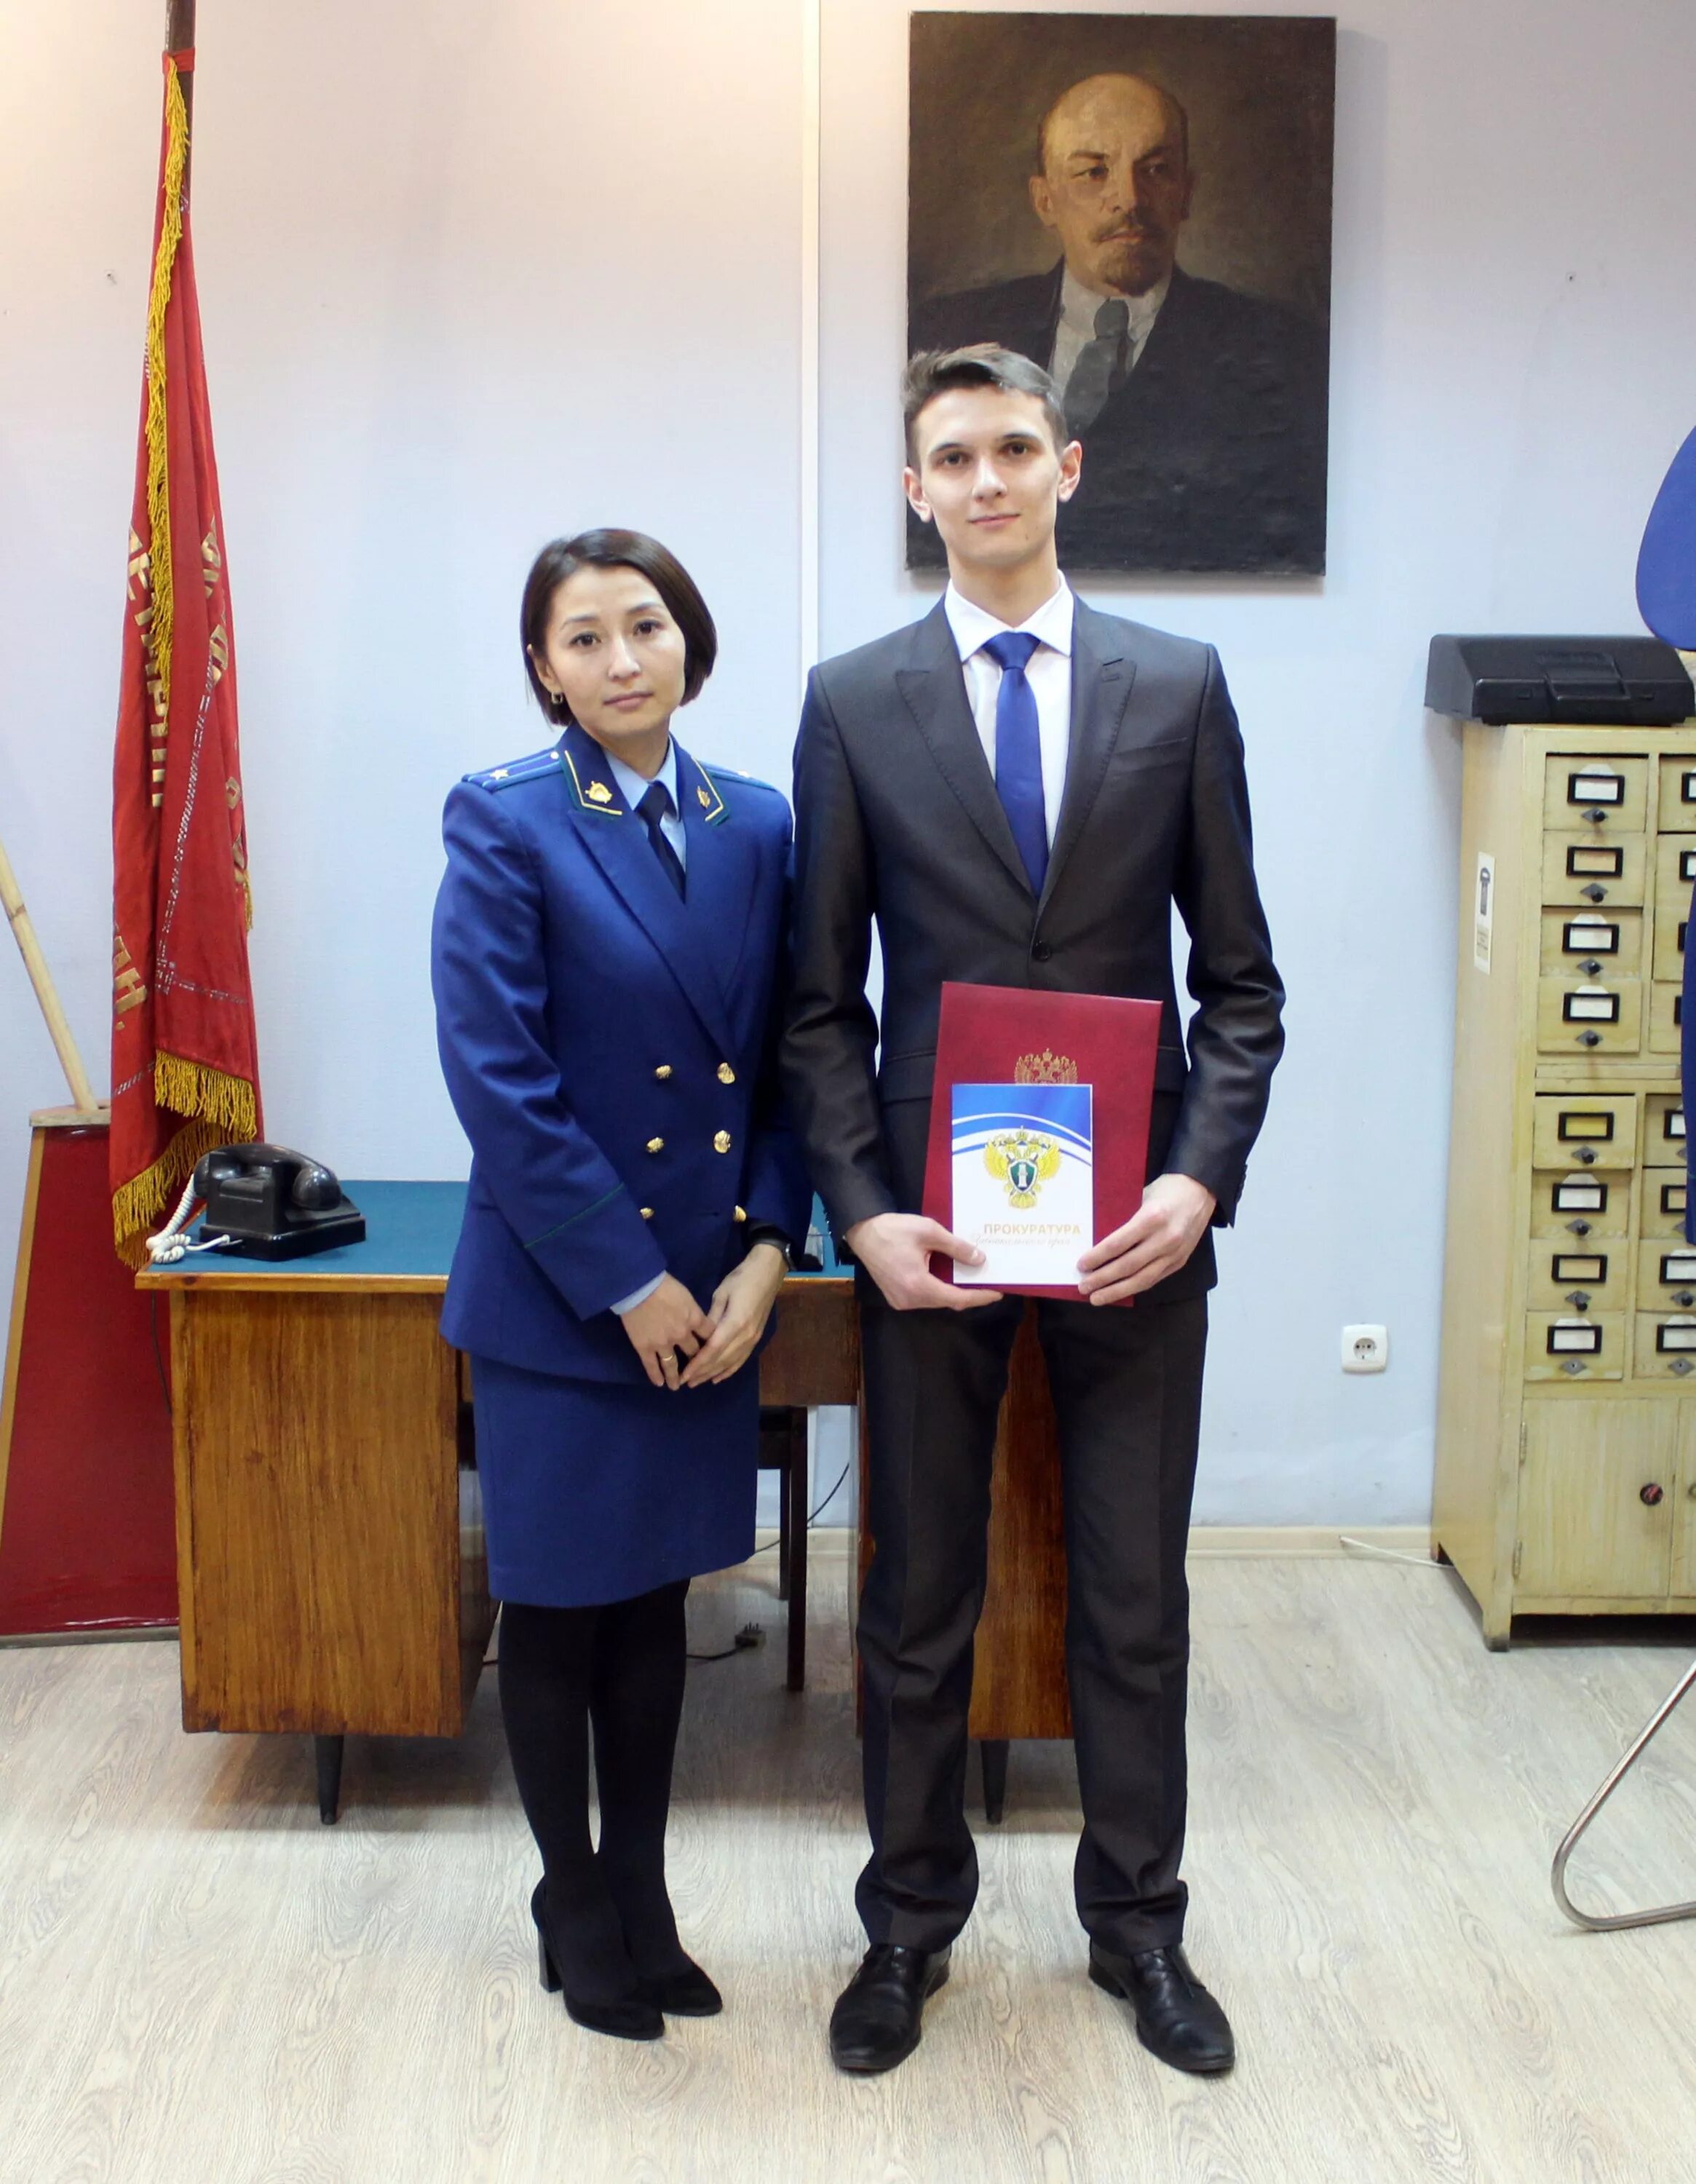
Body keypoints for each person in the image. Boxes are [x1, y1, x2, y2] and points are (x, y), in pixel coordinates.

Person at [782, 346, 1283, 2078]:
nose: (983, 479)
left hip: (1127, 1232)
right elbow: (815, 1005)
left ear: (1064, 468)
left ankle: (1136, 1925)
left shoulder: (1176, 683)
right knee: (917, 1598)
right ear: (913, 490)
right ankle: (904, 1929)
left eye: (1011, 448)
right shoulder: (850, 701)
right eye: (948, 456)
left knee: (1130, 1600)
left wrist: (1194, 1175)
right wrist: (857, 1207)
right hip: (931, 1237)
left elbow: (1238, 988)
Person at [432, 529, 809, 2042]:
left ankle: (643, 1892)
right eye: (580, 638)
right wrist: (628, 1281)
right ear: (545, 669)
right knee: (558, 1609)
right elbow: (500, 1080)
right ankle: (569, 1896)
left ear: (687, 642)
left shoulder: (756, 824)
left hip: (716, 1297)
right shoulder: (506, 819)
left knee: (655, 1611)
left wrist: (775, 1245)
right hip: (562, 1298)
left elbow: (789, 1055)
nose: (618, 659)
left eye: (642, 626)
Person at [911, 71, 1327, 573]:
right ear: (1044, 199)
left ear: (1186, 192)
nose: (1128, 200)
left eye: (1155, 170)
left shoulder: (1282, 349)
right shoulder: (951, 331)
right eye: (1093, 172)